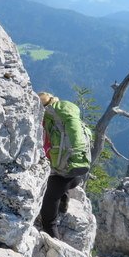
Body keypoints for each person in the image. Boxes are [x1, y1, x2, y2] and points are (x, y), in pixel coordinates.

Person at [38, 92, 90, 239]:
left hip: (59, 179)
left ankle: (55, 243)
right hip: (76, 174)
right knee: (62, 181)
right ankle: (64, 202)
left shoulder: (47, 120)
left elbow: (44, 148)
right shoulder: (66, 117)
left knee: (49, 220)